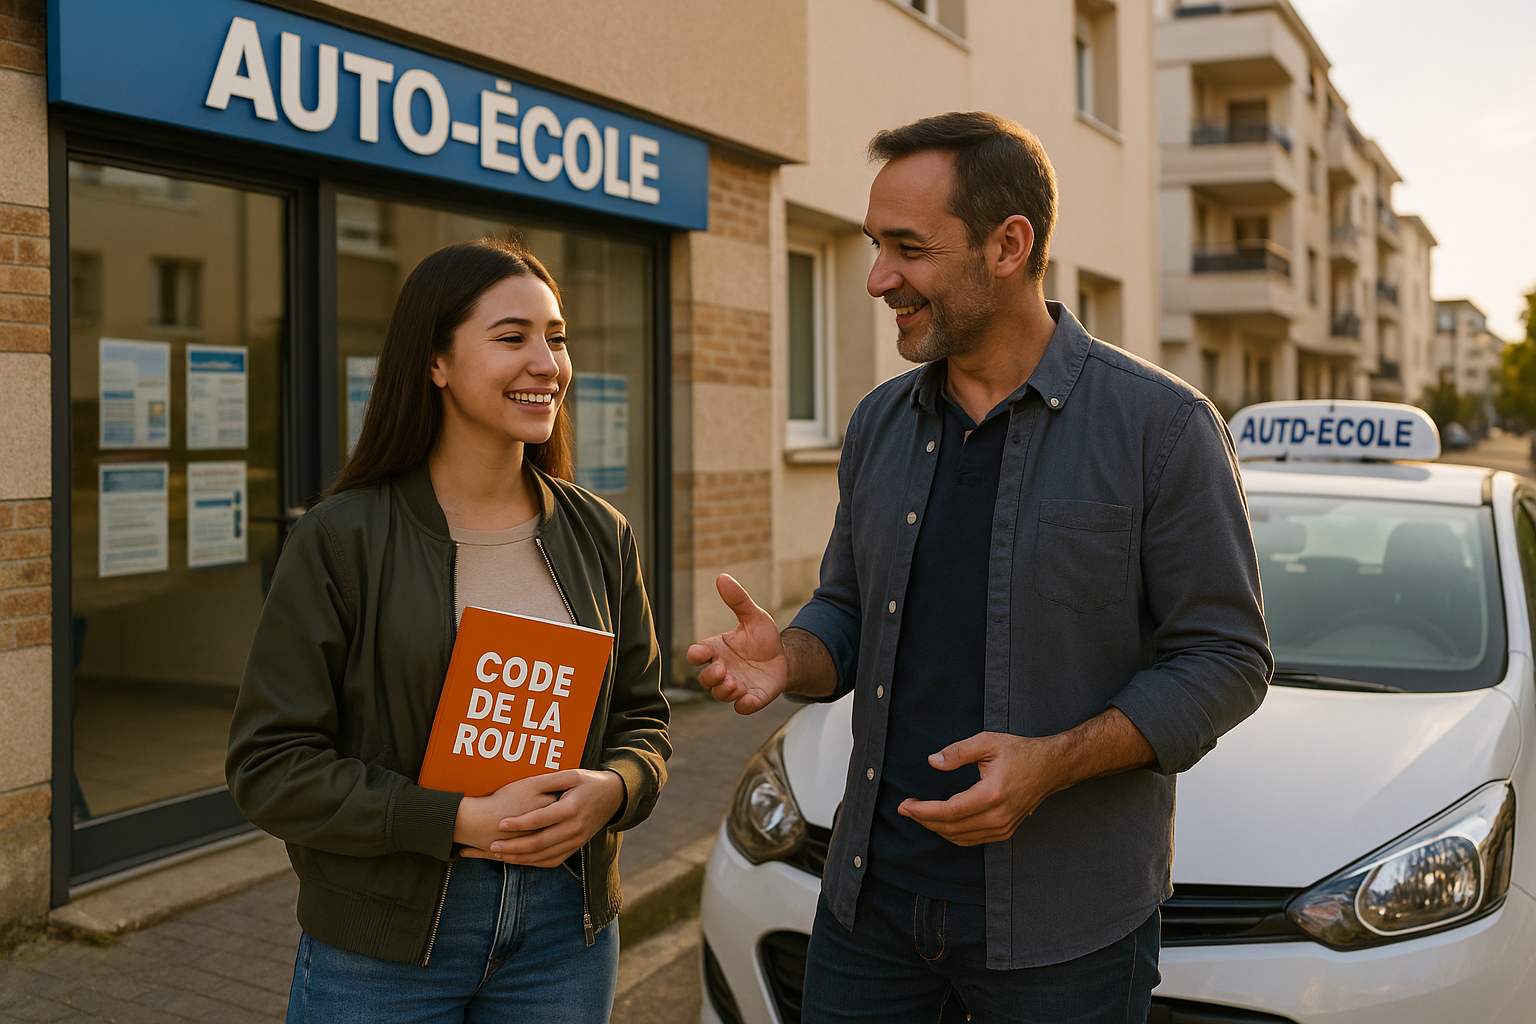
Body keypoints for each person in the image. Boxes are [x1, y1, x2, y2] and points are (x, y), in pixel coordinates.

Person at [688, 112, 1271, 1023]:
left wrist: (1055, 762)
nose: (879, 277)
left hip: (1064, 932)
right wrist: (790, 655)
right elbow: (846, 609)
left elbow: (1226, 660)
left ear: (1010, 245)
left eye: (908, 248)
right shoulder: (880, 423)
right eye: (876, 245)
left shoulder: (1162, 428)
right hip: (868, 907)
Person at [227, 238, 669, 1023]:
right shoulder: (342, 538)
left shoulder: (600, 532)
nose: (547, 363)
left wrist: (615, 788)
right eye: (512, 338)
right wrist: (456, 819)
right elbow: (271, 764)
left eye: (556, 337)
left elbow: (643, 720)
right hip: (384, 946)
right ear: (435, 363)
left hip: (565, 932)